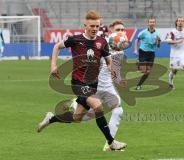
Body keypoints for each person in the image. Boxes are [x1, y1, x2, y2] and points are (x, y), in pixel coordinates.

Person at [38, 10, 126, 151]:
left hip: (92, 85)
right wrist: (53, 66)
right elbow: (56, 47)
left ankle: (51, 118)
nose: (94, 29)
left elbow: (109, 61)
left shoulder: (101, 42)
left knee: (77, 117)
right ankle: (111, 142)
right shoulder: (76, 40)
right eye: (92, 26)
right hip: (78, 83)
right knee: (97, 106)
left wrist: (112, 70)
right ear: (85, 25)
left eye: (97, 26)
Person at [134, 17, 161, 90]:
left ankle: (139, 85)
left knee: (148, 72)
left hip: (151, 53)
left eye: (153, 22)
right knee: (143, 70)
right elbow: (137, 40)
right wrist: (135, 50)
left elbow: (158, 46)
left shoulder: (158, 33)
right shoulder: (143, 32)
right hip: (143, 52)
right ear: (148, 23)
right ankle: (138, 62)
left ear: (155, 23)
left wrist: (158, 42)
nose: (152, 23)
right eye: (150, 22)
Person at [167, 17, 184, 89]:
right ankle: (170, 81)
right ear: (176, 22)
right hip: (174, 54)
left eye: (182, 21)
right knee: (174, 70)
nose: (180, 22)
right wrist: (177, 41)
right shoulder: (173, 32)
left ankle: (179, 66)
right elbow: (168, 41)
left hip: (182, 53)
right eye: (179, 21)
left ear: (183, 23)